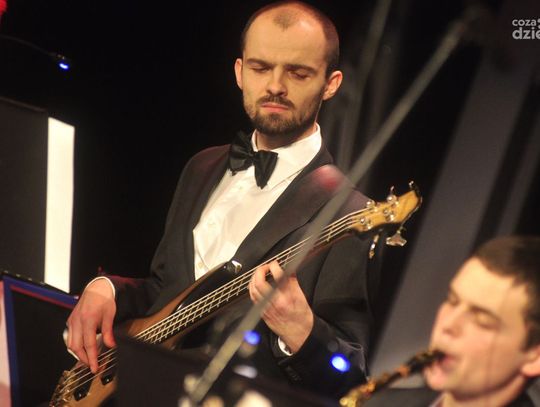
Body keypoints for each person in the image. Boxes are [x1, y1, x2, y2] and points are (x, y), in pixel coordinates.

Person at [66, 0, 381, 401]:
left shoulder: (350, 213)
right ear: (239, 72)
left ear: (331, 83)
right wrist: (107, 289)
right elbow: (165, 291)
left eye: (297, 72)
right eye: (261, 68)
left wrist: (301, 331)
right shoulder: (202, 167)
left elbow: (350, 380)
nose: (275, 86)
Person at [363, 235, 540, 407]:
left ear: (535, 358)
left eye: (482, 320)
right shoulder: (376, 402)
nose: (448, 324)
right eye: (452, 301)